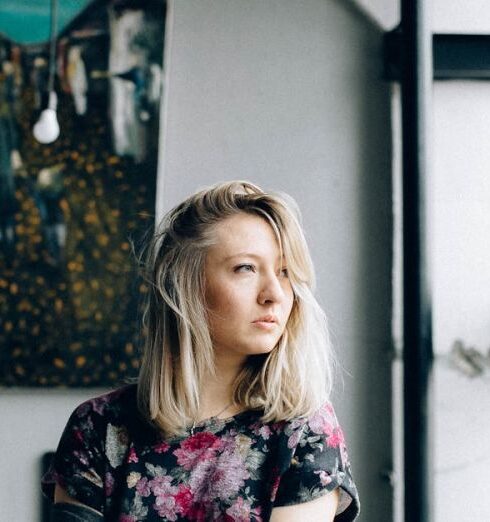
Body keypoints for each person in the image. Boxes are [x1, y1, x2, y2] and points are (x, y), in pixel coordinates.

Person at [42, 180, 360, 521]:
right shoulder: (97, 428)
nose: (275, 294)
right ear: (185, 285)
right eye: (246, 268)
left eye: (284, 272)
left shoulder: (303, 433)